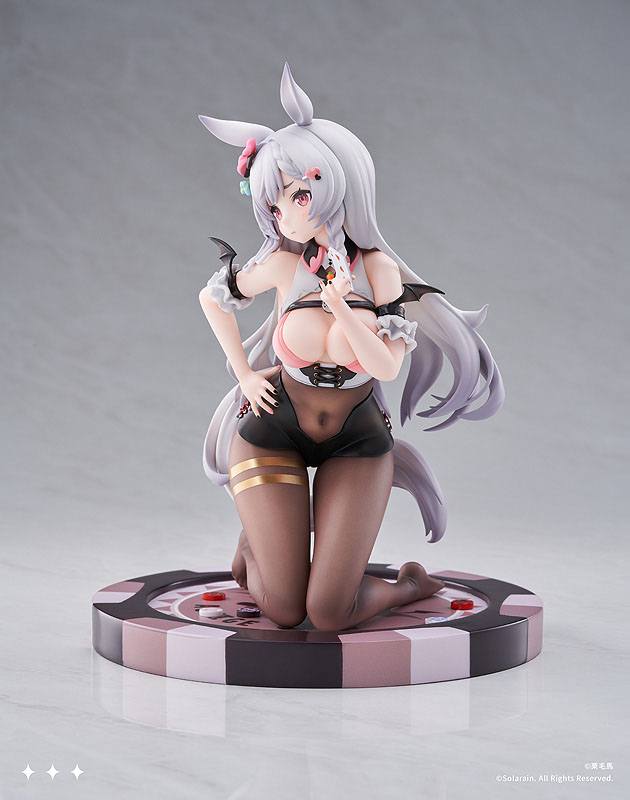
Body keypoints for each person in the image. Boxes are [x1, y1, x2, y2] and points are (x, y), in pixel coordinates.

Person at [197, 63, 504, 631]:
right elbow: (213, 298)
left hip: (356, 438)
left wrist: (341, 307)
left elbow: (385, 365)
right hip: (273, 427)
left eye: (293, 196)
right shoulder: (283, 265)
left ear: (331, 187)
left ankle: (408, 585)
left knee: (328, 613)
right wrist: (244, 373)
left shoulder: (378, 270)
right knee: (284, 609)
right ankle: (256, 543)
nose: (281, 215)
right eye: (272, 205)